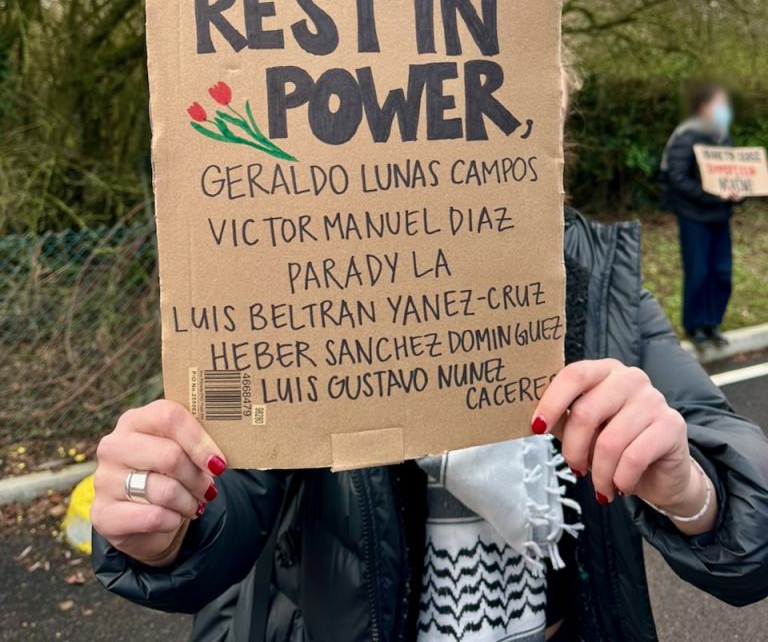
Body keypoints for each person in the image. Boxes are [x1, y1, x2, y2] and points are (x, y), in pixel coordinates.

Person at [91, 71, 768, 642]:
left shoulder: (592, 282)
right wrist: (166, 520)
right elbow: (230, 492)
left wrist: (691, 492)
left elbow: (750, 527)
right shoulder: (294, 279)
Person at [661, 84, 739, 345]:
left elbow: (734, 173)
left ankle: (712, 324)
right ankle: (694, 327)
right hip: (693, 216)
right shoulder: (686, 135)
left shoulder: (723, 137)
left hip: (720, 217)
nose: (724, 110)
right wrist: (713, 195)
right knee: (698, 271)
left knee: (721, 272)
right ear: (704, 107)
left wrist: (738, 192)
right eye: (720, 104)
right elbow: (677, 177)